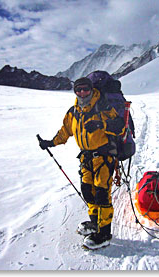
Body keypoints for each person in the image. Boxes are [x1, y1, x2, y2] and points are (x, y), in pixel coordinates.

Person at [38, 77, 125, 250]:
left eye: (85, 89)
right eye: (78, 90)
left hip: (104, 156)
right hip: (86, 158)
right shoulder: (74, 112)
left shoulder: (103, 107)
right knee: (88, 192)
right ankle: (95, 223)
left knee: (102, 194)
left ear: (91, 89)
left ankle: (104, 233)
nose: (82, 93)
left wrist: (101, 124)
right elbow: (65, 131)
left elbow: (120, 127)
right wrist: (50, 143)